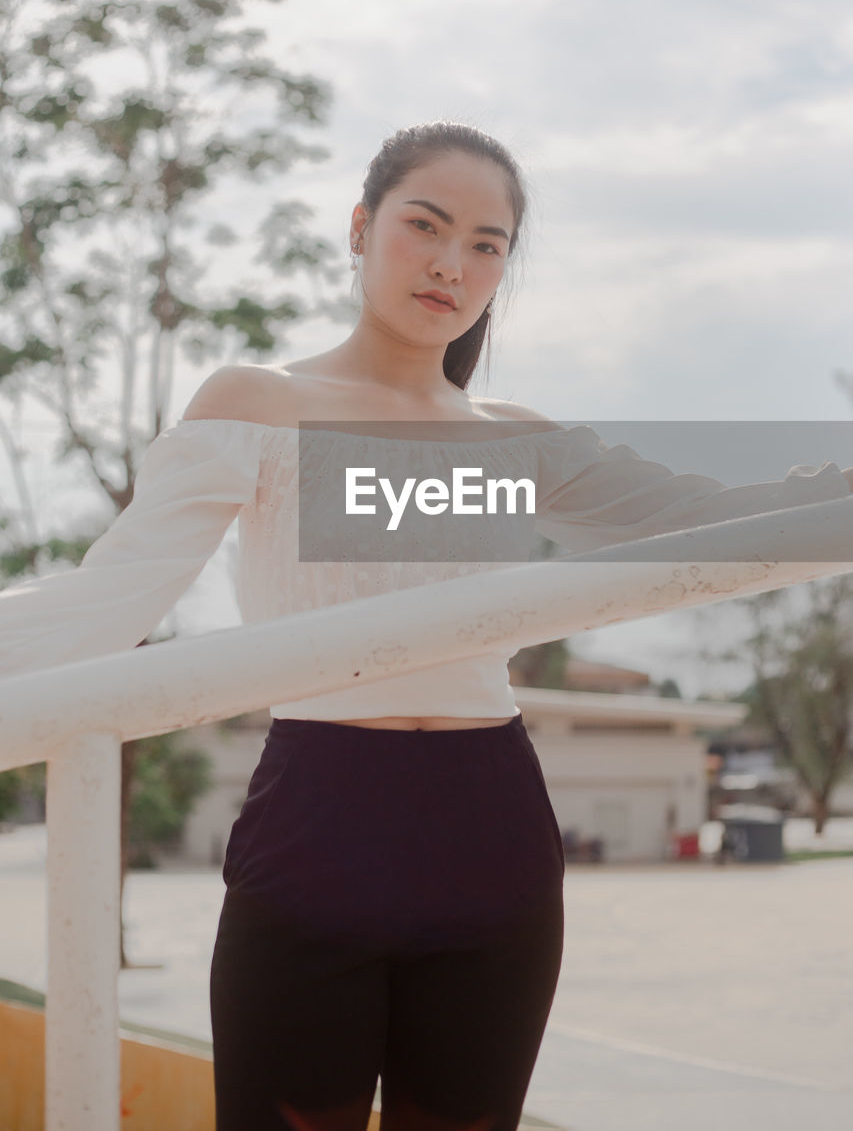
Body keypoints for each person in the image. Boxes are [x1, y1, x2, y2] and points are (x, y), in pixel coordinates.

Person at [2, 120, 852, 1131]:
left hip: (492, 838)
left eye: (487, 243)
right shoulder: (260, 403)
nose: (453, 262)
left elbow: (717, 520)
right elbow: (112, 598)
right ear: (360, 228)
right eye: (425, 224)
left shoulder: (517, 439)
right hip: (317, 830)